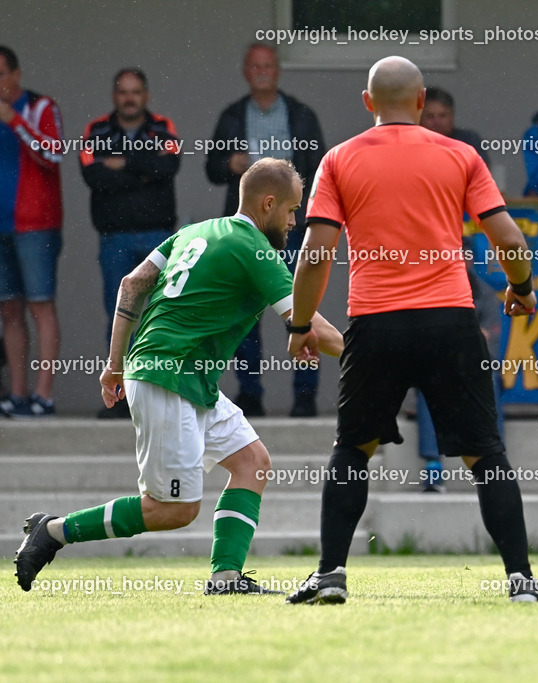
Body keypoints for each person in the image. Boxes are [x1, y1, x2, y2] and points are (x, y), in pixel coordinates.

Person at [284, 56, 538, 604]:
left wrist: (302, 323)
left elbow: (314, 257)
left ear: (367, 102)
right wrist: (521, 289)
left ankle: (330, 574)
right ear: (423, 100)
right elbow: (513, 244)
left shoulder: (338, 160)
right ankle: (521, 580)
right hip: (451, 322)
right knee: (485, 454)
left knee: (352, 451)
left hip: (375, 325)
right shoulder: (460, 155)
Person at [14, 159, 344, 594]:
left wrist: (114, 364)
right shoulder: (255, 248)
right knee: (173, 509)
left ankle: (225, 579)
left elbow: (132, 284)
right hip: (167, 379)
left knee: (252, 463)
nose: (293, 220)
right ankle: (54, 531)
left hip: (187, 378)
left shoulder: (196, 231)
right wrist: (372, 357)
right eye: (290, 210)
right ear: (268, 204)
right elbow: (310, 325)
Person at [206, 42, 325, 417]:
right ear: (246, 71)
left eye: (268, 66)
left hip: (291, 227)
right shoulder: (231, 116)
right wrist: (230, 164)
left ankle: (305, 396)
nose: (261, 72)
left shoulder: (301, 115)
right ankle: (251, 393)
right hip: (247, 232)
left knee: (301, 310)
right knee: (245, 314)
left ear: (277, 71)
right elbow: (210, 168)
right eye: (255, 66)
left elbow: (320, 168)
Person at [80, 68, 182, 418]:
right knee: (118, 317)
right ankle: (120, 399)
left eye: (136, 92)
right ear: (114, 95)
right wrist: (143, 169)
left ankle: (157, 398)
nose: (130, 98)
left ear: (146, 95)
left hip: (159, 238)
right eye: (124, 92)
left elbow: (169, 166)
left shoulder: (163, 126)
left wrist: (121, 164)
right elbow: (93, 175)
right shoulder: (96, 130)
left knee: (160, 318)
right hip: (114, 239)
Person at [0, 45, 63, 418]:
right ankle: (19, 395)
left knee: (41, 305)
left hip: (36, 225)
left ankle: (44, 396)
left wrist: (14, 121)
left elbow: (54, 153)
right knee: (9, 309)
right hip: (1, 225)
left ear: (16, 74)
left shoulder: (39, 107)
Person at [418, 239, 505, 493]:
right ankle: (433, 467)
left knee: (490, 380)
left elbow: (491, 347)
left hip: (475, 371)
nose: (459, 263)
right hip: (439, 371)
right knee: (427, 382)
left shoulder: (485, 295)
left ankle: (493, 466)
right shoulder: (427, 293)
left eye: (464, 257)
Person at [420, 86, 489, 166]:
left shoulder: (468, 139)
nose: (437, 122)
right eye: (430, 116)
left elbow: (480, 170)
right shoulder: (412, 142)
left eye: (442, 115)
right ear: (419, 118)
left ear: (452, 116)